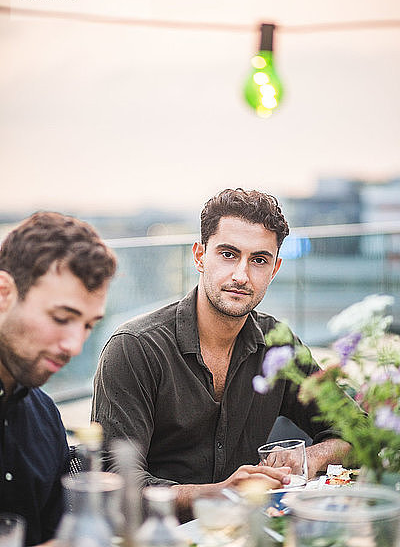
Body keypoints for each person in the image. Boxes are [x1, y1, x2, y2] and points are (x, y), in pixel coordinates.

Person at [92, 188, 350, 517]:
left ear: (274, 269)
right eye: (228, 254)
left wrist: (311, 457)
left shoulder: (279, 345)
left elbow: (358, 430)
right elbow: (114, 485)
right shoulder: (134, 347)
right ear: (200, 256)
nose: (241, 275)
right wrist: (220, 493)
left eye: (258, 260)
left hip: (248, 530)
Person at [0, 212, 117, 546]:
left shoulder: (44, 416)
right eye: (62, 317)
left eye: (88, 326)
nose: (75, 346)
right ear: (4, 293)